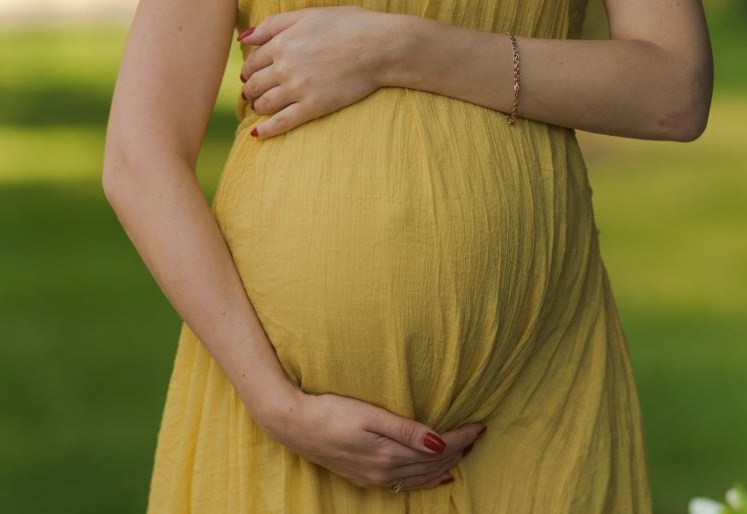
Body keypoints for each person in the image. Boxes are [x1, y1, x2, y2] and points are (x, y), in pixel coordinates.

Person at [102, 0, 713, 512]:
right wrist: (277, 404)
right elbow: (140, 153)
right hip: (280, 425)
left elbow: (675, 88)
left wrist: (402, 51)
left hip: (534, 404)